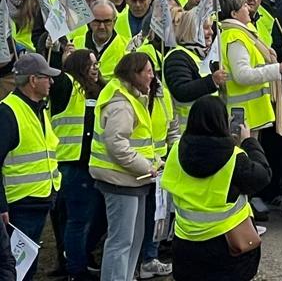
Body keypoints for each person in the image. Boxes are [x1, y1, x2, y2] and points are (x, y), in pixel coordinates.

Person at [162, 97, 272, 281]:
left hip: (185, 245)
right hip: (228, 245)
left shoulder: (176, 151)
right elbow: (263, 177)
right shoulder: (235, 158)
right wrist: (249, 142)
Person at [91, 52, 169, 281]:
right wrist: (147, 166)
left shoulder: (129, 96)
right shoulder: (121, 103)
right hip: (121, 179)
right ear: (134, 74)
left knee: (132, 239)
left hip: (133, 179)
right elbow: (117, 144)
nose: (152, 77)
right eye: (148, 72)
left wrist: (152, 165)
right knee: (122, 241)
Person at [0, 54, 60, 281]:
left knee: (27, 266)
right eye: (47, 78)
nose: (51, 82)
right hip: (19, 205)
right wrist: (1, 204)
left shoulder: (39, 108)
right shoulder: (8, 112)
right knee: (15, 268)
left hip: (39, 198)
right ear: (33, 80)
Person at [49, 49, 103, 281]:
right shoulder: (67, 85)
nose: (95, 68)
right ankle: (76, 270)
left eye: (96, 63)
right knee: (77, 220)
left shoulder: (98, 89)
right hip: (70, 165)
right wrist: (57, 52)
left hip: (88, 165)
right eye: (89, 64)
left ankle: (72, 263)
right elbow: (57, 75)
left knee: (78, 219)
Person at [219, 0, 282, 134]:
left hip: (249, 113)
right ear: (234, 14)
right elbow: (242, 75)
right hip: (243, 114)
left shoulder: (242, 33)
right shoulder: (235, 36)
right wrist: (277, 68)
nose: (248, 8)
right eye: (244, 6)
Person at [164, 8, 228, 123]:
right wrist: (212, 81)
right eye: (206, 28)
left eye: (211, 27)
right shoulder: (177, 57)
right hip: (187, 130)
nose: (211, 32)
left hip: (206, 127)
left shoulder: (201, 55)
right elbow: (181, 91)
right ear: (192, 30)